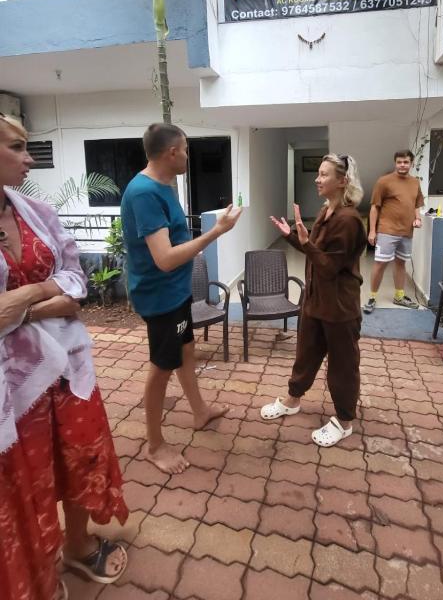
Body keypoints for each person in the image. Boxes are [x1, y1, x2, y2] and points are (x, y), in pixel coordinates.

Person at [0, 114, 128, 600]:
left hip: (68, 371)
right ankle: (37, 576)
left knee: (79, 457)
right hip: (13, 390)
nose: (29, 158)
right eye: (17, 147)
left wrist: (23, 300)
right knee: (23, 484)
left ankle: (76, 545)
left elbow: (75, 286)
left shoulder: (36, 211)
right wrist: (43, 302)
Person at [121, 123, 242, 474]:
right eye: (186, 150)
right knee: (161, 367)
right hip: (160, 297)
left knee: (186, 349)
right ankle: (155, 445)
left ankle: (200, 412)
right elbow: (165, 258)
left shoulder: (164, 185)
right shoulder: (144, 193)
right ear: (172, 152)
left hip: (175, 291)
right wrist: (216, 232)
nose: (188, 156)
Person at [261, 153, 366, 447]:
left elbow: (330, 266)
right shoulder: (326, 210)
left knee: (342, 365)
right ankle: (292, 400)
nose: (317, 179)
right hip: (316, 299)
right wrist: (293, 236)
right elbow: (315, 251)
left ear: (342, 181)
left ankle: (344, 421)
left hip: (339, 305)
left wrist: (306, 243)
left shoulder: (348, 220)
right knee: (306, 353)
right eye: (318, 173)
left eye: (324, 175)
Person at [363, 149, 424, 313]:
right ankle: (372, 297)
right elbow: (374, 207)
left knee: (400, 263)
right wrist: (372, 231)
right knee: (380, 263)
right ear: (395, 163)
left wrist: (417, 218)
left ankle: (399, 296)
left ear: (411, 163)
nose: (402, 165)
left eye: (405, 162)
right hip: (386, 231)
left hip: (406, 232)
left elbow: (416, 204)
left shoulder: (415, 182)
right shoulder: (384, 181)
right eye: (399, 162)